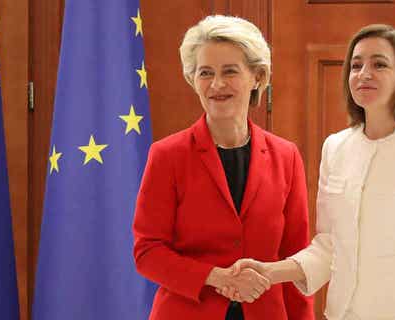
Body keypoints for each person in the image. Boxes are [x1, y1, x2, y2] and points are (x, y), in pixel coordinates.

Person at [222, 24, 395, 320]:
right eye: (356, 65)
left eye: (379, 64)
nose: (364, 73)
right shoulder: (336, 148)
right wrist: (270, 271)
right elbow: (329, 246)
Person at [132, 15, 314, 320]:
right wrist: (218, 277)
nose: (217, 84)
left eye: (230, 71)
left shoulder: (286, 156)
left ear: (257, 76)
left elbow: (296, 260)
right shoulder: (166, 155)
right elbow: (147, 252)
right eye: (205, 72)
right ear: (193, 79)